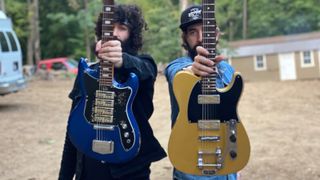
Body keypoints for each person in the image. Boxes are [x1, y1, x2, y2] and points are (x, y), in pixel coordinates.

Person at [58, 4, 166, 180]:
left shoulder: (143, 65)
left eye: (122, 28)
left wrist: (122, 60)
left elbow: (146, 71)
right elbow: (72, 132)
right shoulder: (87, 73)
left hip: (132, 169)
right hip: (89, 168)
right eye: (109, 28)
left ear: (133, 34)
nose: (114, 33)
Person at [164, 5, 238, 180]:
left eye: (207, 30)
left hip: (226, 165)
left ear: (217, 34)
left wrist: (236, 166)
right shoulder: (176, 66)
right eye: (192, 32)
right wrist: (194, 71)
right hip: (191, 169)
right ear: (185, 38)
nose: (201, 38)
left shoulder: (228, 70)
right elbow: (179, 75)